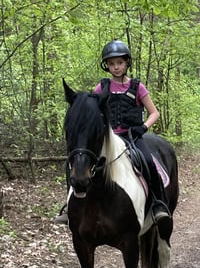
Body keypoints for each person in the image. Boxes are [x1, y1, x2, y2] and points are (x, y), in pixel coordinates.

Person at [54, 39, 170, 225]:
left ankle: (158, 204)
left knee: (148, 161)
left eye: (120, 63)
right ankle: (70, 207)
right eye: (111, 63)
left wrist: (143, 127)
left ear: (127, 63)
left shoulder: (138, 87)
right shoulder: (101, 87)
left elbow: (155, 112)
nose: (116, 67)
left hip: (132, 137)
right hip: (109, 139)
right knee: (75, 163)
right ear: (106, 66)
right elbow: (91, 112)